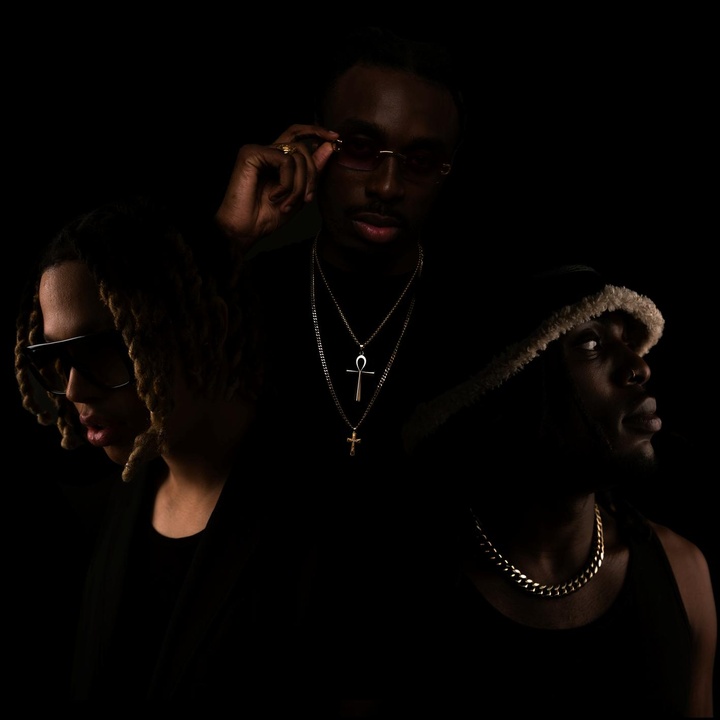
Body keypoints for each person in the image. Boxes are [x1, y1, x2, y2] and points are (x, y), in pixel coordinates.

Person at [212, 30, 488, 703]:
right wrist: (230, 241)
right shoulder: (239, 294)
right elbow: (138, 424)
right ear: (312, 147)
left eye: (421, 161)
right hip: (247, 666)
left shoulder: (486, 326)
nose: (388, 186)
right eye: (361, 149)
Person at [14, 195, 322, 709]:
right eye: (56, 357)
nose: (73, 390)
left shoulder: (318, 514)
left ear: (197, 325)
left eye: (102, 349)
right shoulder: (118, 503)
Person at [398, 264, 716, 717]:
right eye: (590, 344)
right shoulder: (396, 585)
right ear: (509, 380)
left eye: (628, 341)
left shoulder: (683, 573)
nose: (639, 366)